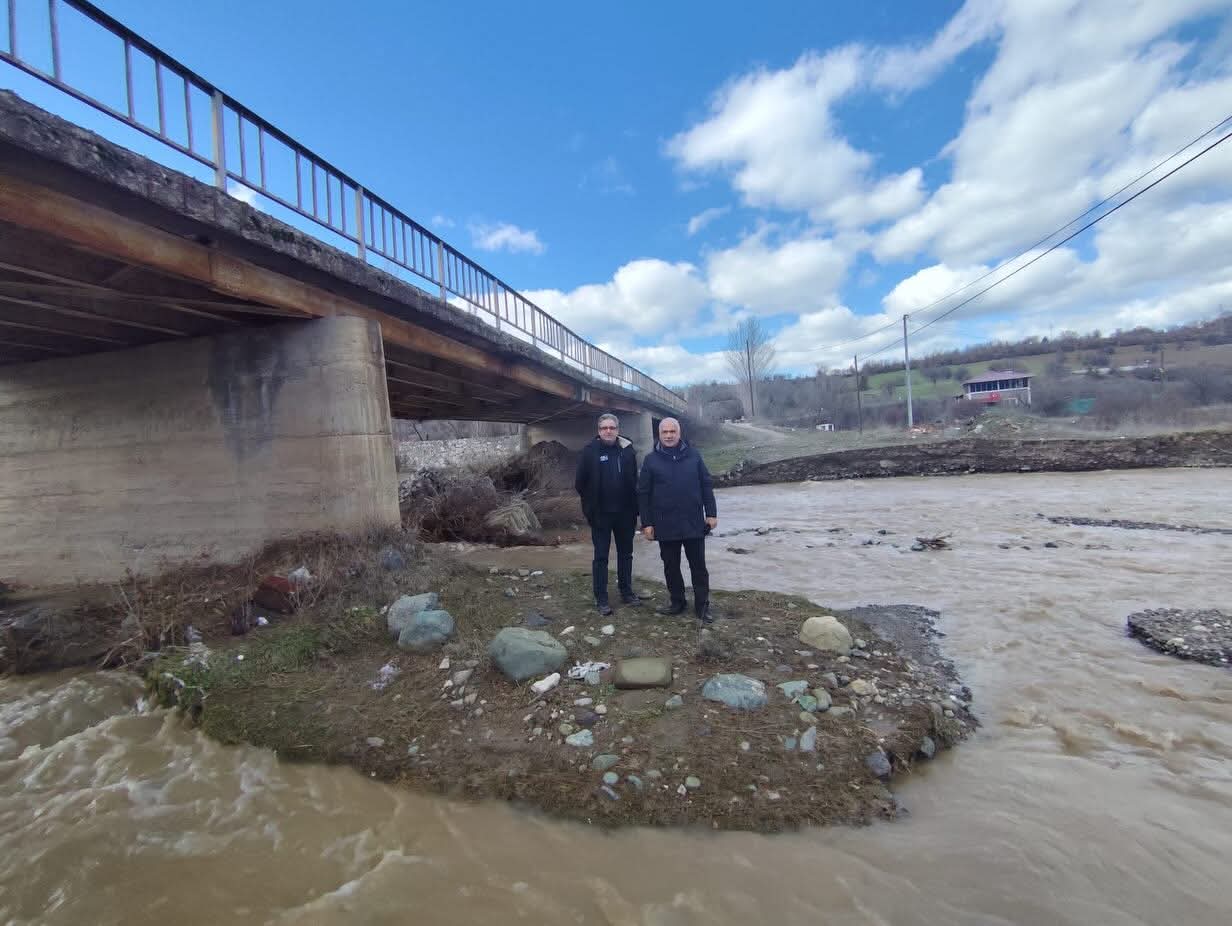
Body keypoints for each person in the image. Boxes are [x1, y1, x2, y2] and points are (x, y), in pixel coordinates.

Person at [637, 417, 717, 624]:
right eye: (665, 432)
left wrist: (711, 513)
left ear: (679, 433)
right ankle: (677, 602)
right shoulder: (651, 460)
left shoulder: (694, 456)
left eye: (673, 431)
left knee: (698, 566)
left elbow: (706, 485)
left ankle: (702, 606)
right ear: (660, 435)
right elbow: (643, 494)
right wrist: (647, 523)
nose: (669, 435)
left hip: (693, 522)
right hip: (665, 523)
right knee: (671, 566)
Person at [574, 412, 642, 616]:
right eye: (604, 428)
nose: (608, 431)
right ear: (599, 431)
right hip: (601, 515)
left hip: (625, 514)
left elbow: (633, 480)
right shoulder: (589, 452)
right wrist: (590, 507)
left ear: (617, 430)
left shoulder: (628, 451)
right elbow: (580, 483)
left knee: (626, 555)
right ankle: (601, 598)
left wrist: (636, 508)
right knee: (601, 557)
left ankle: (626, 591)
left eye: (612, 428)